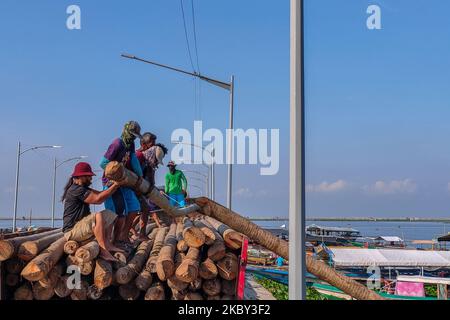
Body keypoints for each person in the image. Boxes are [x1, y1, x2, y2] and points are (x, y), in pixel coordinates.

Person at [61, 162, 124, 262]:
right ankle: (103, 250)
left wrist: (113, 186)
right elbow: (98, 200)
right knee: (98, 215)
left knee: (110, 214)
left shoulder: (82, 188)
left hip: (81, 227)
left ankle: (107, 243)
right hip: (72, 231)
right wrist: (115, 185)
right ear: (81, 176)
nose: (91, 179)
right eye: (89, 176)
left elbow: (100, 194)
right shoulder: (76, 190)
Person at [100, 121, 144, 247]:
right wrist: (117, 171)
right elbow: (103, 163)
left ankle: (121, 237)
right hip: (111, 182)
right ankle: (109, 242)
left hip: (123, 181)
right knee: (115, 213)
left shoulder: (130, 144)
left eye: (135, 135)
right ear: (126, 132)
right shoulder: (116, 144)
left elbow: (133, 158)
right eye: (132, 134)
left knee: (132, 208)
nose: (133, 137)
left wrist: (139, 174)